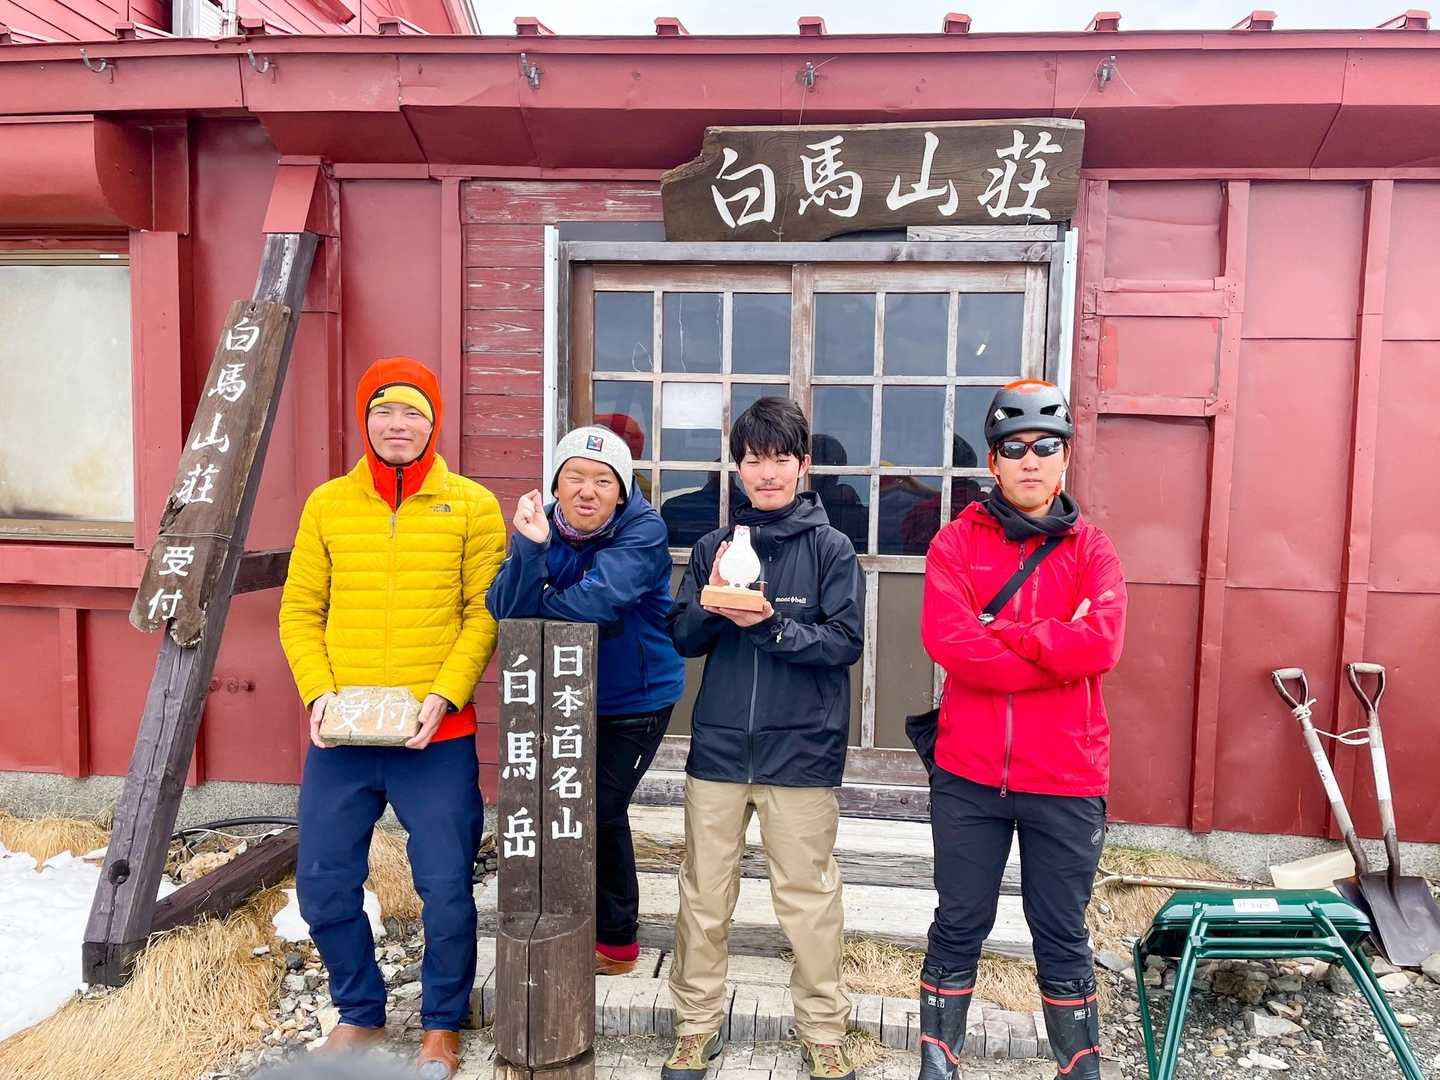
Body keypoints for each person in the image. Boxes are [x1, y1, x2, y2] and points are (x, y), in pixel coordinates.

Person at [278, 357, 506, 1080]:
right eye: (384, 411)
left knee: (445, 886)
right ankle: (360, 1012)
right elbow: (299, 610)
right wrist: (318, 693)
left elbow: (483, 613)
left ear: (434, 423)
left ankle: (441, 1025)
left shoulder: (472, 506)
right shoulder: (328, 505)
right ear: (365, 420)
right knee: (322, 882)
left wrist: (447, 694)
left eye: (412, 412)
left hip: (435, 735)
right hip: (343, 734)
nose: (397, 425)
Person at [915, 380, 1127, 1080]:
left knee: (1061, 933)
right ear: (993, 461)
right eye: (1014, 448)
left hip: (1066, 778)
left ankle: (1080, 1068)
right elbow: (952, 645)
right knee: (958, 924)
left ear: (1065, 457)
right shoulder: (954, 543)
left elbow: (1100, 646)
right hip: (969, 775)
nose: (1030, 459)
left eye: (1045, 446)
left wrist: (1004, 630)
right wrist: (1053, 644)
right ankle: (938, 1065)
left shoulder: (1093, 550)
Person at [663, 397, 864, 1080]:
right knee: (703, 894)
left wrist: (771, 625)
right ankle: (695, 1027)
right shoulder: (714, 549)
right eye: (754, 460)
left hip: (801, 752)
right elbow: (683, 637)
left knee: (807, 899)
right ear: (739, 468)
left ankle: (824, 1032)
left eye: (781, 459)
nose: (767, 472)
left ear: (803, 465)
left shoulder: (831, 549)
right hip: (719, 750)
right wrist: (718, 603)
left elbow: (844, 644)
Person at [486, 424, 686, 975]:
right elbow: (502, 607)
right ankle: (559, 916)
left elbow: (597, 603)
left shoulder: (643, 529)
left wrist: (540, 600)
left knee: (598, 807)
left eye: (603, 480)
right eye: (574, 476)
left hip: (636, 699)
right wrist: (530, 550)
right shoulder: (542, 526)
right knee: (560, 805)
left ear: (622, 491)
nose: (587, 490)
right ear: (556, 484)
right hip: (564, 695)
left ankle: (617, 940)